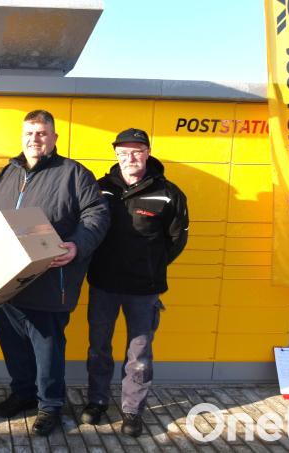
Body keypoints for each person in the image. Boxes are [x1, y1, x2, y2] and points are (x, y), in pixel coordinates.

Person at [0, 110, 109, 436]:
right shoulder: (7, 174)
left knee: (47, 349)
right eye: (30, 133)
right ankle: (23, 393)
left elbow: (96, 215)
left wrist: (76, 245)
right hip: (3, 283)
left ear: (55, 138)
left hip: (48, 281)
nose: (35, 139)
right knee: (13, 344)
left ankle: (50, 406)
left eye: (42, 133)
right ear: (22, 137)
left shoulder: (74, 174)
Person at [81, 128, 189, 437]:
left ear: (148, 152)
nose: (130, 157)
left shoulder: (169, 193)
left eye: (137, 151)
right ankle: (97, 401)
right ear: (115, 154)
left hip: (144, 290)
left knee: (139, 355)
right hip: (103, 284)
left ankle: (132, 410)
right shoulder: (99, 189)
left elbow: (176, 240)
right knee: (99, 348)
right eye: (123, 151)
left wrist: (150, 265)